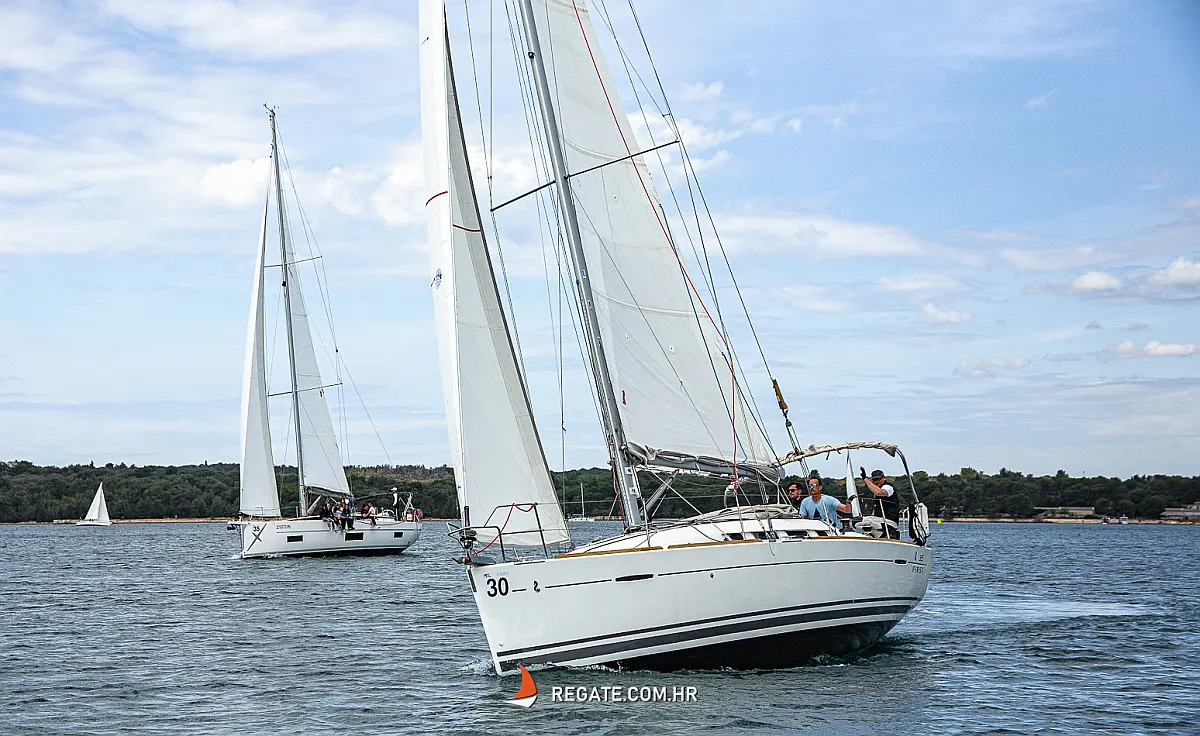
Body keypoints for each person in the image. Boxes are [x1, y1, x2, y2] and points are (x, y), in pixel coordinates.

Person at [862, 468, 900, 539]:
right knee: (861, 522)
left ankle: (884, 534)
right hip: (879, 521)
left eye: (878, 479)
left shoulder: (888, 487)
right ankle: (879, 536)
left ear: (884, 478)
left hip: (888, 521)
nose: (876, 481)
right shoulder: (876, 492)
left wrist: (865, 479)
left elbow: (879, 492)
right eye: (874, 480)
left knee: (857, 521)